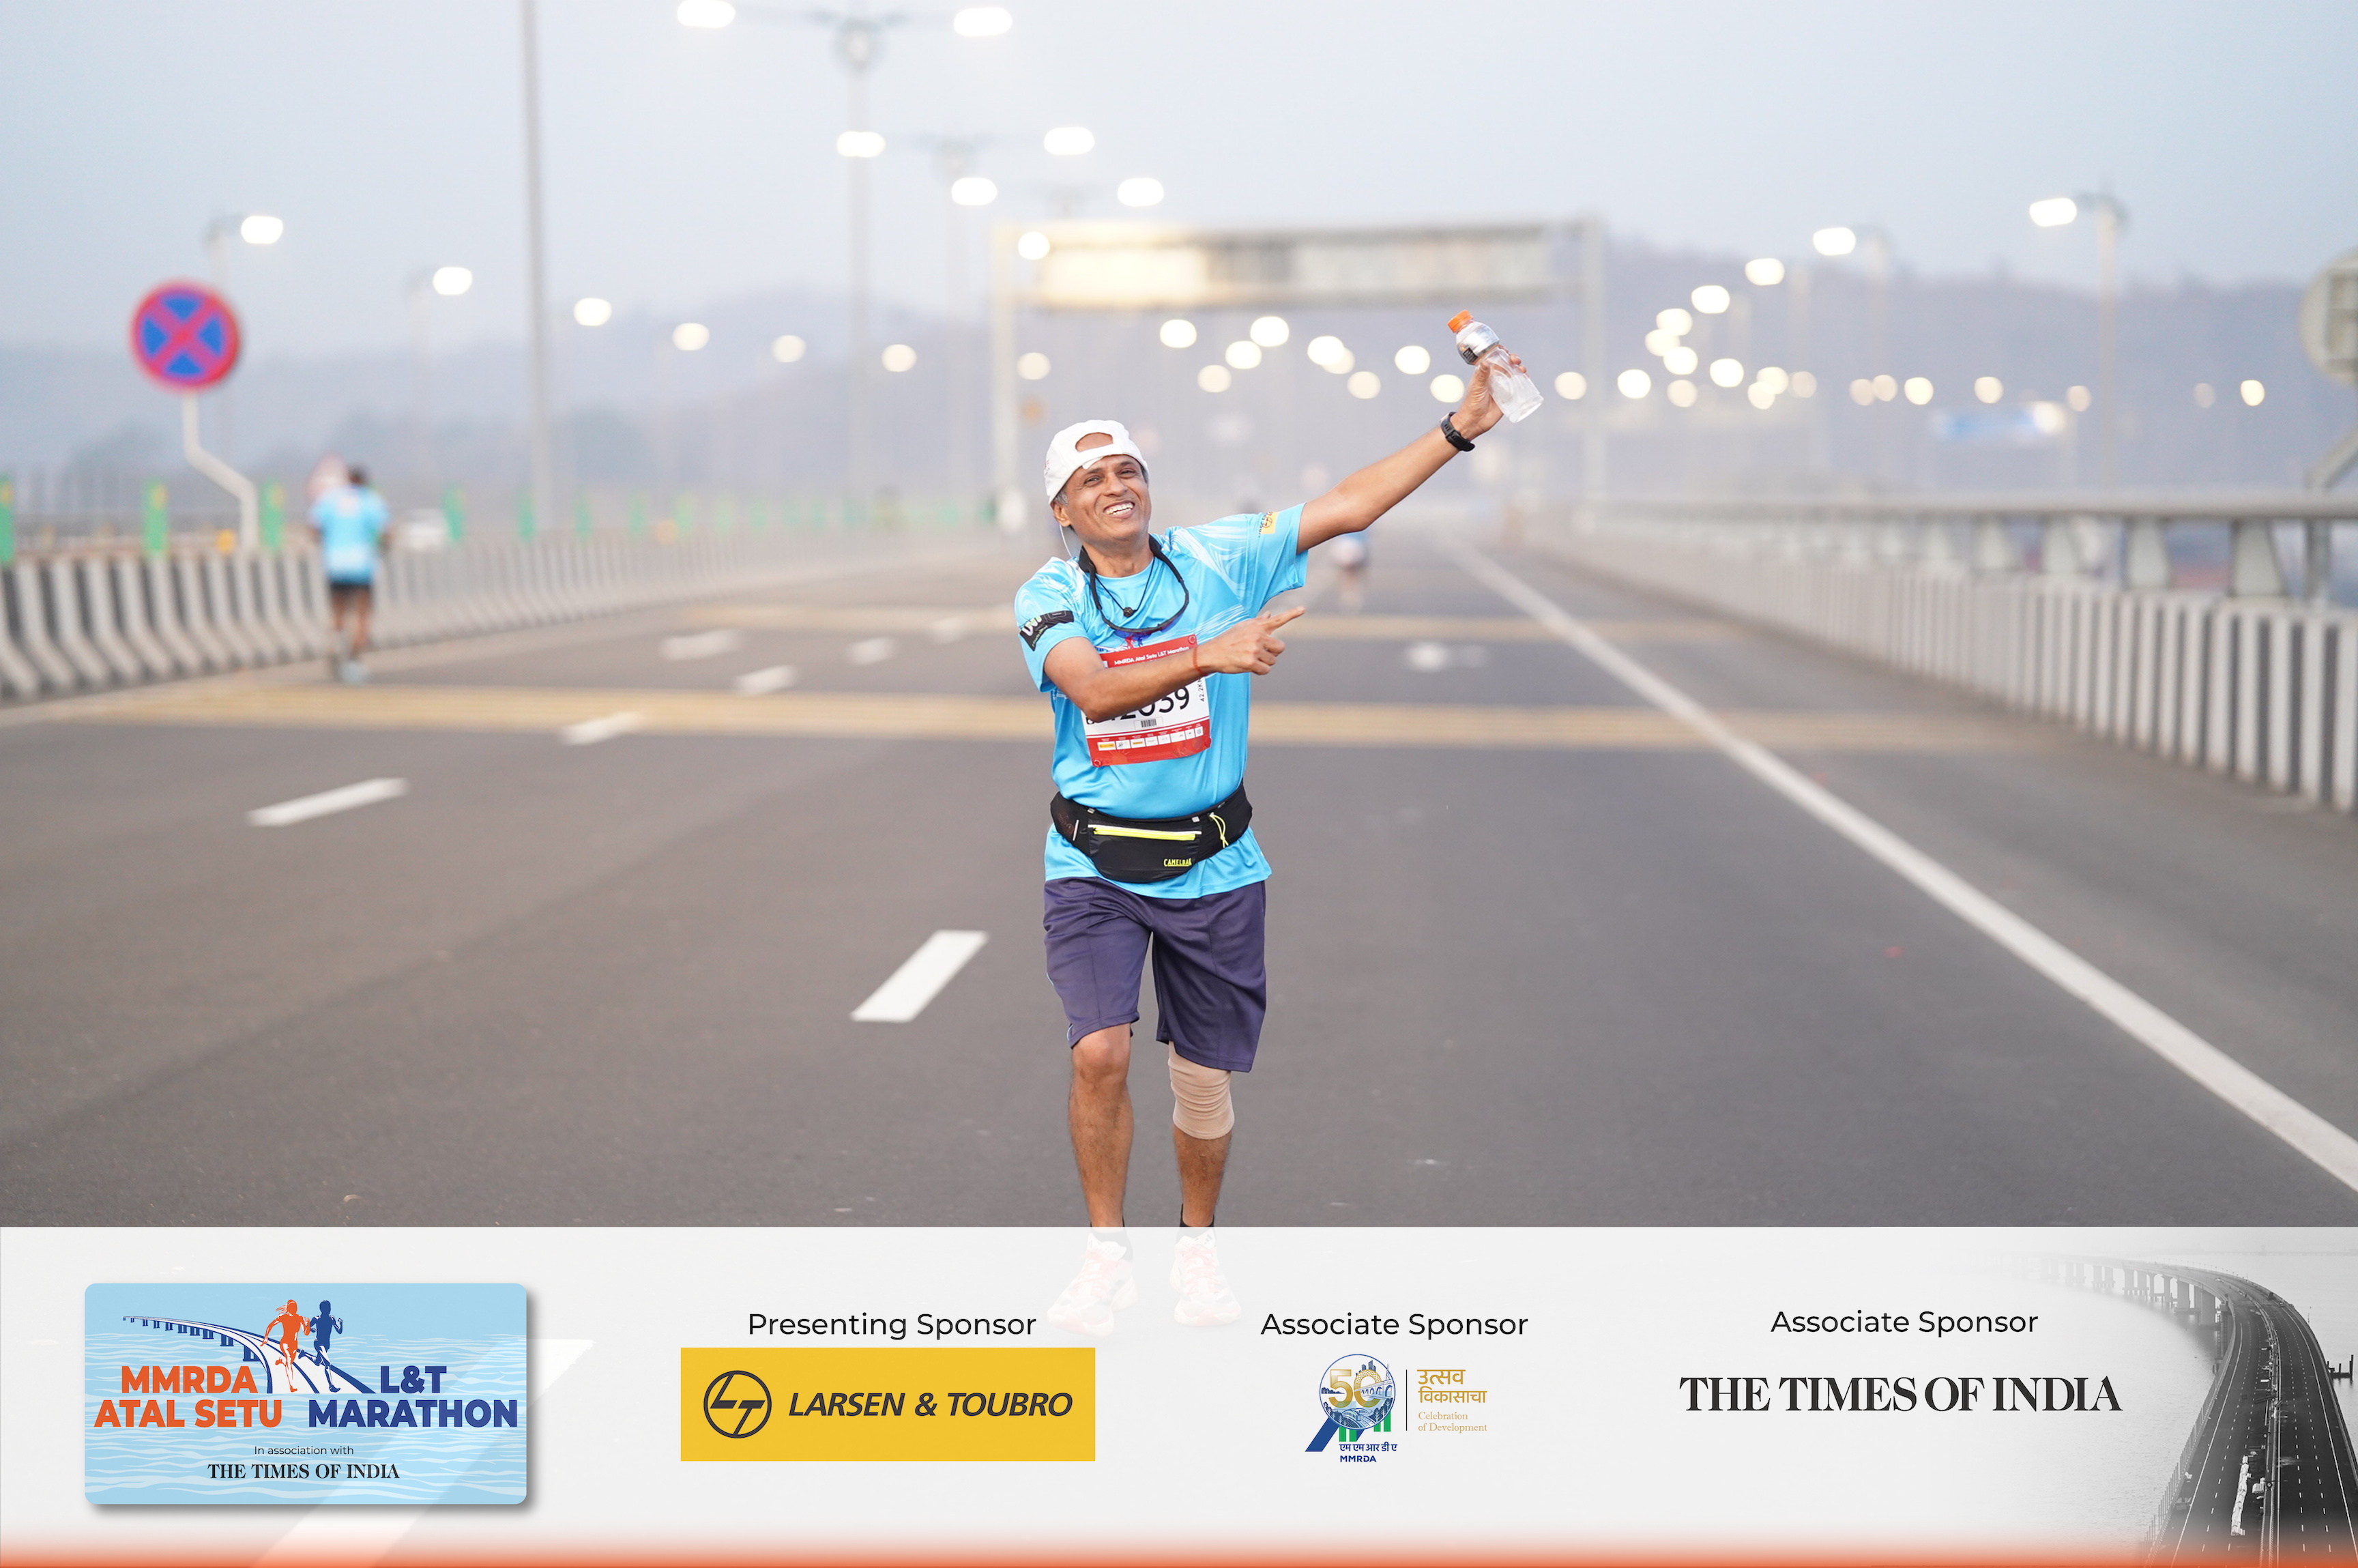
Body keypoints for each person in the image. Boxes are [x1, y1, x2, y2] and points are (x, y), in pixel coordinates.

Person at [1017, 351, 1523, 1335]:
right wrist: (1210, 651)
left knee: (1201, 1081)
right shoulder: (1047, 594)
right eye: (1093, 479)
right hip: (1095, 863)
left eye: (1128, 470)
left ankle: (1197, 1250)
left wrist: (1459, 429)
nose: (1117, 487)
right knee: (1100, 1053)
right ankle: (1106, 1257)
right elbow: (1093, 689)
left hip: (1214, 861)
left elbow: (1348, 505)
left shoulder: (1219, 557)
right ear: (1064, 511)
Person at [308, 463, 390, 683]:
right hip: (361, 564)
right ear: (364, 481)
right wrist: (384, 546)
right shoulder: (371, 500)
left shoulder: (330, 499)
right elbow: (385, 531)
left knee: (338, 610)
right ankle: (354, 660)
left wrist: (329, 542)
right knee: (362, 614)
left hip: (335, 563)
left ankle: (335, 640)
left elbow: (315, 528)